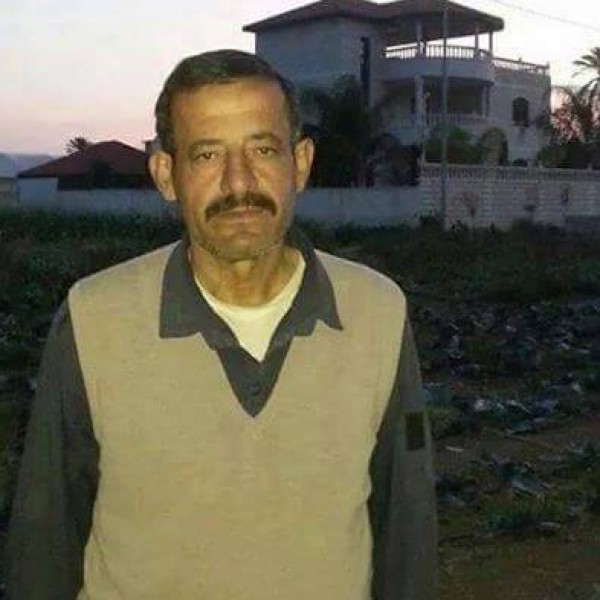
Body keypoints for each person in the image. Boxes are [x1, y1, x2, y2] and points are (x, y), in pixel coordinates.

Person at [6, 50, 437, 599]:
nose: (239, 182)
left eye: (263, 150)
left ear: (300, 163)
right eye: (207, 154)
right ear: (167, 175)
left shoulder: (377, 313)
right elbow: (44, 543)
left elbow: (406, 533)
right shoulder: (93, 320)